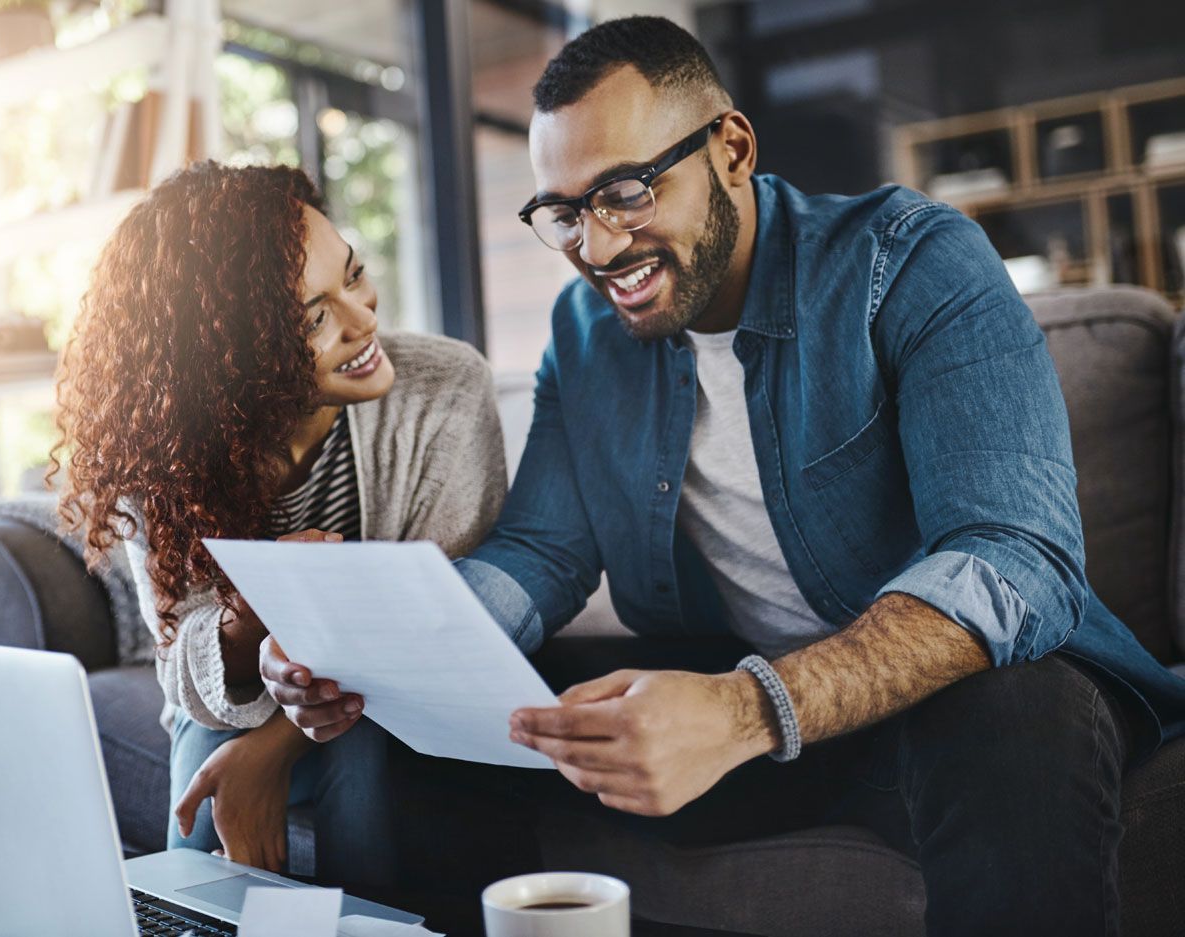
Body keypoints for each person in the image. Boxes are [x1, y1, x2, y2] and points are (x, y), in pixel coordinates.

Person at [260, 17, 1185, 935]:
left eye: (625, 191)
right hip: (739, 702)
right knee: (417, 734)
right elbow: (541, 550)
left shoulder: (910, 263)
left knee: (1017, 713)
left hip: (930, 709)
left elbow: (1014, 556)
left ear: (731, 148)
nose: (599, 246)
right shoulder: (584, 341)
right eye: (566, 212)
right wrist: (379, 656)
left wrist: (749, 709)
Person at [50, 161, 506, 882]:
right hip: (235, 707)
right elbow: (183, 677)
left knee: (353, 743)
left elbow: (440, 626)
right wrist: (243, 618)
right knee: (203, 739)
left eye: (353, 276)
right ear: (232, 359)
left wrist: (265, 755)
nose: (364, 322)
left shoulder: (445, 390)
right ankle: (191, 917)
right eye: (317, 318)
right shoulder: (163, 455)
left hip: (395, 709)